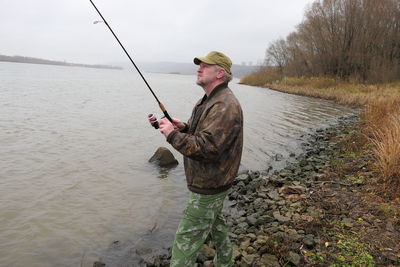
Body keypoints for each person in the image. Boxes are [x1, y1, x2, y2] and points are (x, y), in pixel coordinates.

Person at [158, 51, 243, 267]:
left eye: (205, 66)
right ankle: (225, 262)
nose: (199, 68)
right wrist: (183, 128)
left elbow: (207, 148)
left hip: (210, 183)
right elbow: (204, 134)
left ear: (220, 73)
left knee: (185, 239)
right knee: (216, 223)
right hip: (213, 181)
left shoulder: (224, 104)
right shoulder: (210, 99)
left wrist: (172, 135)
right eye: (199, 65)